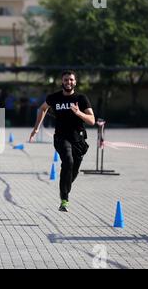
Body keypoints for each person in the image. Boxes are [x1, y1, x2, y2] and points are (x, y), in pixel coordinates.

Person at [29, 71, 95, 212]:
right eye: (66, 80)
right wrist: (36, 128)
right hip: (61, 137)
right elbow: (42, 109)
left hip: (78, 139)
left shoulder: (81, 98)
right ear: (62, 82)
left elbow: (92, 120)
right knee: (68, 161)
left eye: (71, 80)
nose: (68, 82)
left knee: (74, 170)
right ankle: (64, 199)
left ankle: (64, 188)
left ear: (75, 82)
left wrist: (78, 113)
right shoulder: (54, 98)